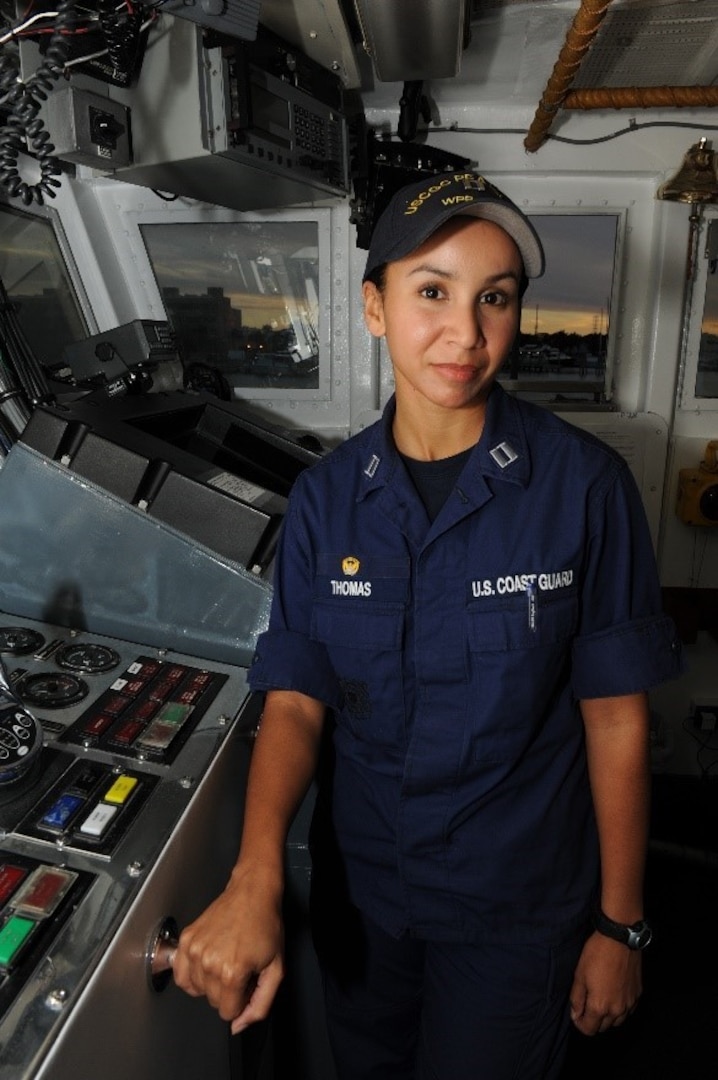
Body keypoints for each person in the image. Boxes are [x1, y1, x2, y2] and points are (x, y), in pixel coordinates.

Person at [172, 171, 684, 1079]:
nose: (466, 332)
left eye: (496, 299)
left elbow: (616, 717)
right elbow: (295, 699)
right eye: (432, 292)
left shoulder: (585, 488)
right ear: (374, 307)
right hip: (367, 899)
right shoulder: (328, 502)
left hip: (516, 910)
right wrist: (256, 874)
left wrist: (621, 923)